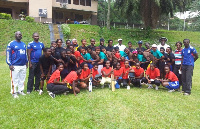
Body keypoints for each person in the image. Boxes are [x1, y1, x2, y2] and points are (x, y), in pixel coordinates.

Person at [6, 31, 28, 98]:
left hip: (23, 65)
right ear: (15, 35)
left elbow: (25, 54)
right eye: (18, 34)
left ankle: (20, 90)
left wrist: (26, 62)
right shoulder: (11, 44)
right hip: (15, 65)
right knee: (14, 79)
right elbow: (8, 55)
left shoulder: (23, 44)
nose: (19, 35)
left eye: (20, 34)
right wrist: (10, 64)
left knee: (22, 78)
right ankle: (14, 92)